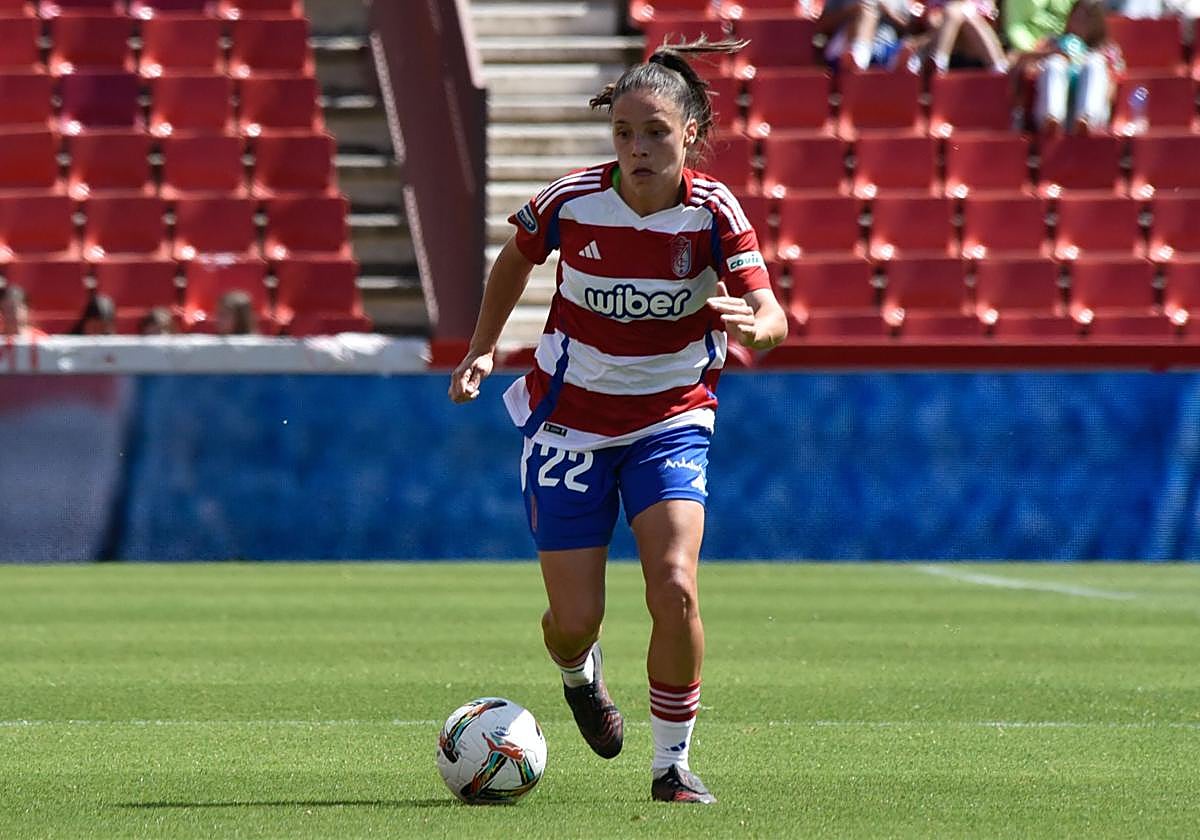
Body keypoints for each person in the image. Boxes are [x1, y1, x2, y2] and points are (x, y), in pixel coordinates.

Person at [448, 37, 787, 804]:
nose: (637, 148)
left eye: (655, 133)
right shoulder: (572, 200)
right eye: (625, 134)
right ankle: (579, 674)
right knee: (574, 620)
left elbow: (771, 310)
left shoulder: (713, 213)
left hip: (672, 419)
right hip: (569, 422)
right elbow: (514, 258)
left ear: (690, 133)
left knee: (675, 587)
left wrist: (762, 327)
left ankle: (672, 767)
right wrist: (481, 349)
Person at [1013, 0, 1124, 132]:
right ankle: (1051, 119)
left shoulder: (1106, 49)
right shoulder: (1051, 42)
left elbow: (1116, 84)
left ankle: (1086, 120)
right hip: (1055, 115)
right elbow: (1018, 61)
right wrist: (1053, 53)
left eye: (1088, 16)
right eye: (1078, 15)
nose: (1081, 21)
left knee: (1094, 63)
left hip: (1095, 113)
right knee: (1055, 63)